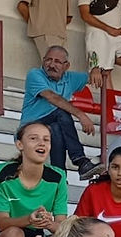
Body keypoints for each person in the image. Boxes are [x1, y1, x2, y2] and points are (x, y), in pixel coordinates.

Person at [0, 121, 69, 237]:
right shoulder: (1, 173)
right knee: (15, 234)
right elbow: (2, 223)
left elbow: (62, 227)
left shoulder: (58, 177)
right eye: (33, 138)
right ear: (20, 145)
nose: (41, 143)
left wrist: (49, 224)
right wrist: (29, 219)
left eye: (46, 139)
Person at [21, 46, 102, 179]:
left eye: (57, 62)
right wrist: (81, 115)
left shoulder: (70, 78)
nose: (52, 65)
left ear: (66, 66)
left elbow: (97, 77)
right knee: (61, 112)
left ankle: (60, 177)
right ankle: (80, 160)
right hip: (29, 127)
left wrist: (96, 69)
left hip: (51, 125)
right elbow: (52, 97)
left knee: (57, 129)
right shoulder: (35, 74)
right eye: (48, 60)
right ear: (43, 61)